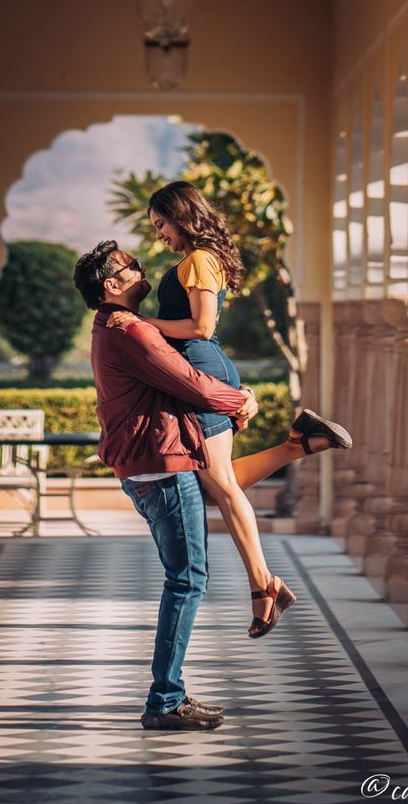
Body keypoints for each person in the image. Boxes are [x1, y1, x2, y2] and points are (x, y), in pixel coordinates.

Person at [73, 239, 350, 732]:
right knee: (186, 580)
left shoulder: (110, 326)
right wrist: (241, 399)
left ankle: (299, 446)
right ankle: (164, 700)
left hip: (153, 463)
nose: (142, 269)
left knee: (221, 491)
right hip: (161, 468)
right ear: (112, 286)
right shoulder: (130, 332)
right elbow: (190, 383)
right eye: (131, 267)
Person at [106, 181, 352, 639]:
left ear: (181, 215)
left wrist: (140, 322)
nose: (159, 233)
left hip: (202, 373)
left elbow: (200, 327)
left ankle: (264, 586)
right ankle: (299, 442)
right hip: (197, 375)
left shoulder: (199, 259)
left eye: (161, 223)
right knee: (214, 479)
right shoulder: (194, 259)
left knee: (218, 482)